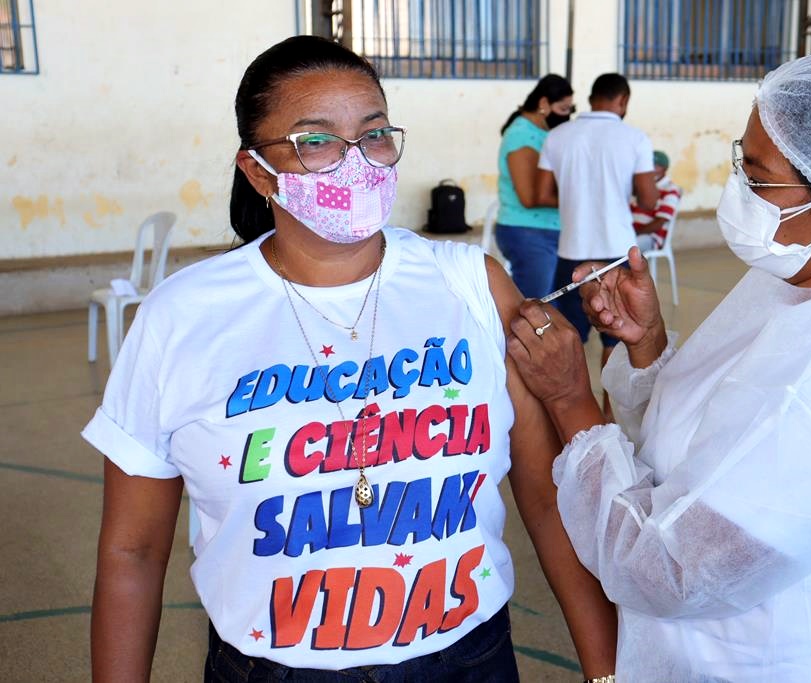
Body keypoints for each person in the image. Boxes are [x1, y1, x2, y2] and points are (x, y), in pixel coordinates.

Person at [84, 36, 617, 682]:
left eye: (374, 134)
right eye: (316, 141)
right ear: (258, 171)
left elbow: (548, 501)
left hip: (468, 663)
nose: (356, 161)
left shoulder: (470, 286)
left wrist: (606, 672)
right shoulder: (182, 317)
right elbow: (133, 551)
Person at [507, 49, 811, 681]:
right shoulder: (802, 279)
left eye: (758, 179)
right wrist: (646, 344)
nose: (739, 191)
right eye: (741, 161)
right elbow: (707, 440)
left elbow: (669, 570)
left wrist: (571, 399)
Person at [536, 73, 657, 365]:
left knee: (569, 336)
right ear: (623, 100)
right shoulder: (635, 138)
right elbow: (649, 200)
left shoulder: (556, 136)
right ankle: (608, 397)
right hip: (617, 251)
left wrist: (579, 199)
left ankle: (573, 395)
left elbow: (542, 194)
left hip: (571, 250)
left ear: (591, 99)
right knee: (617, 338)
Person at [495, 75, 575, 299]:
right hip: (528, 231)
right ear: (543, 104)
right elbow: (530, 197)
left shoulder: (545, 133)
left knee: (555, 306)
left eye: (570, 109)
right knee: (536, 305)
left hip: (549, 230)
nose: (567, 116)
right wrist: (578, 198)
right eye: (563, 109)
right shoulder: (521, 135)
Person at [630, 150, 682, 253]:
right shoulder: (642, 185)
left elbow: (660, 222)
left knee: (624, 247)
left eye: (655, 166)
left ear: (665, 169)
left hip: (651, 237)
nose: (651, 169)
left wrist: (635, 233)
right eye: (648, 165)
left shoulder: (670, 189)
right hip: (632, 233)